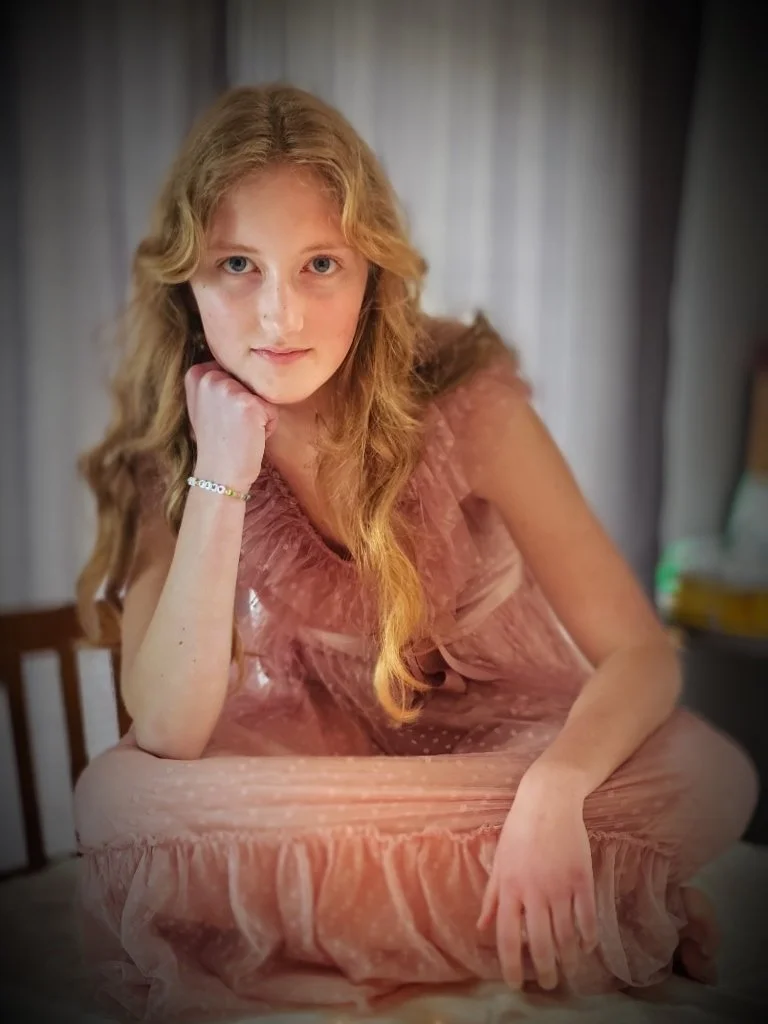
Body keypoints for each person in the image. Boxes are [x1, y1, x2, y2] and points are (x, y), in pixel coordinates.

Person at [73, 83, 758, 1021]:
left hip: (514, 755)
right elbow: (168, 731)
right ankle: (601, 914)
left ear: (372, 271)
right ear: (186, 279)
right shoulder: (183, 438)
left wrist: (556, 792)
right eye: (239, 263)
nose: (279, 318)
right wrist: (224, 468)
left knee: (710, 773)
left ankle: (493, 903)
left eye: (320, 264)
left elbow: (640, 655)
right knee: (115, 802)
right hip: (328, 763)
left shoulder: (463, 396)